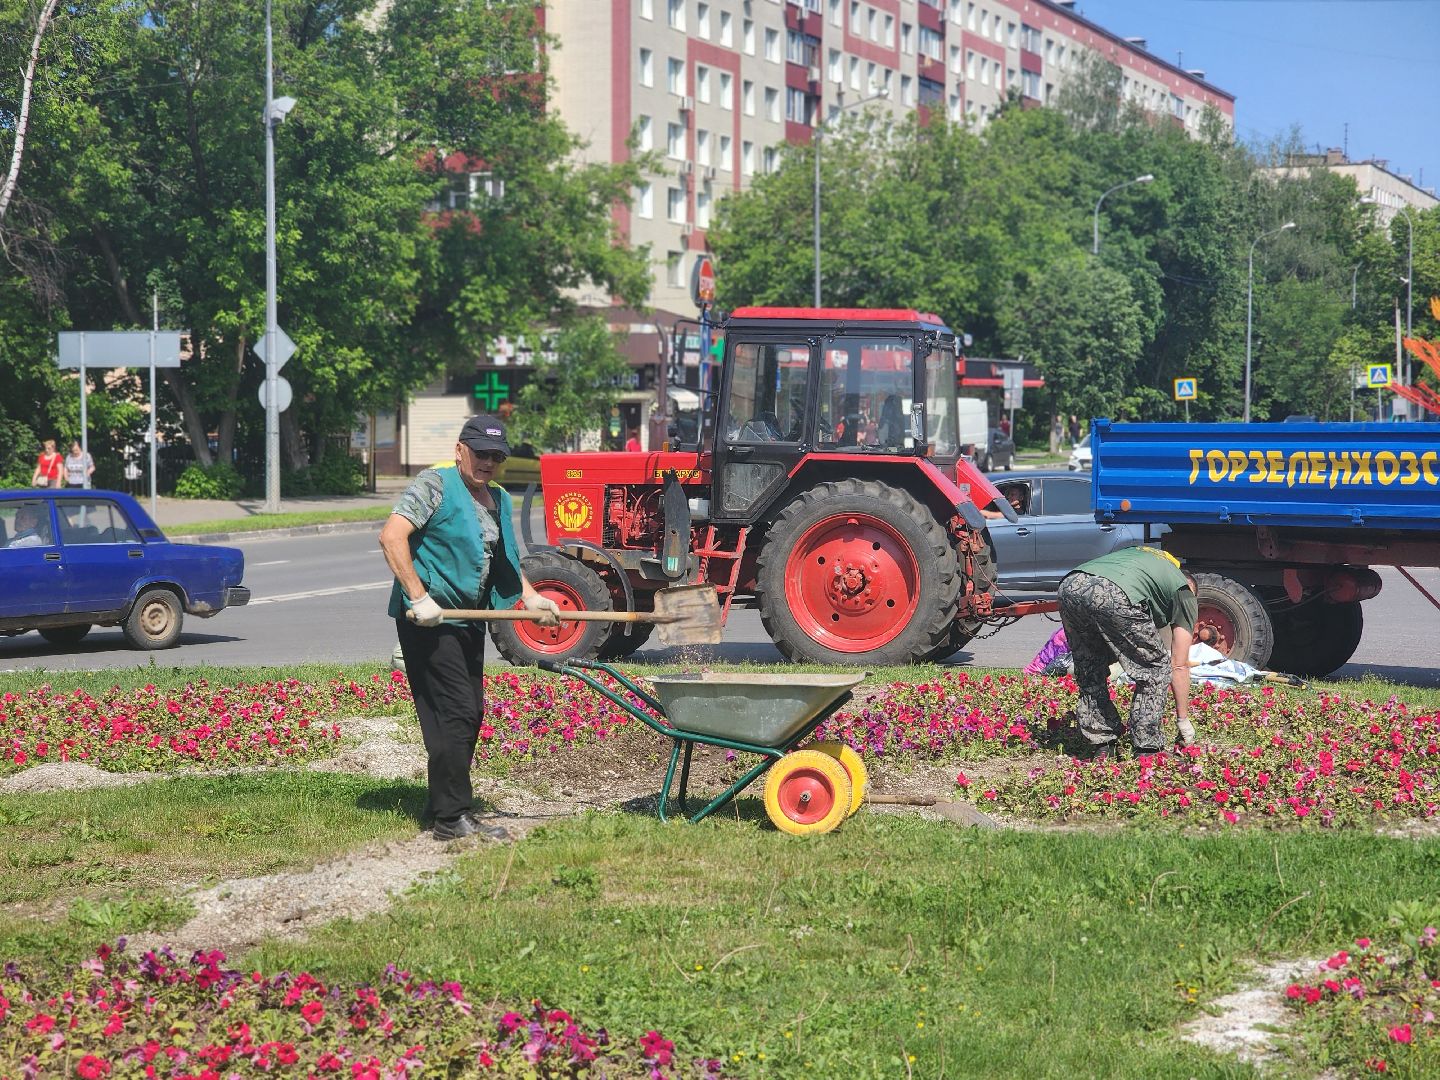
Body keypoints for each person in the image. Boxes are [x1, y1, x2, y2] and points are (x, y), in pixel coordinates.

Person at [379, 414, 563, 841]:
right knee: (455, 712)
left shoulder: (497, 496)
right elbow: (392, 537)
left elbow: (504, 562)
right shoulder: (435, 484)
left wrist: (531, 597)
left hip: (468, 619)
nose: (489, 463)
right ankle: (451, 818)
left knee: (467, 714)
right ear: (460, 449)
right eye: (481, 453)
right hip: (428, 619)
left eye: (497, 456)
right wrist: (418, 596)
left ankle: (442, 804)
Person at [1057, 546, 1197, 760]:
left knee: (1090, 667)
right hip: (1115, 591)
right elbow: (1179, 664)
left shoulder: (1145, 559)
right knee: (1155, 669)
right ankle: (1147, 749)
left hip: (1071, 584)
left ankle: (1102, 745)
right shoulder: (1184, 591)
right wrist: (1183, 721)